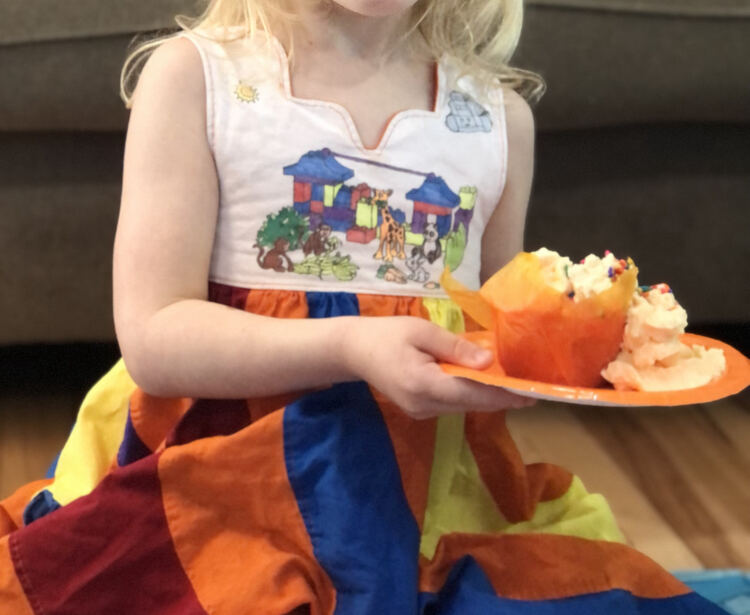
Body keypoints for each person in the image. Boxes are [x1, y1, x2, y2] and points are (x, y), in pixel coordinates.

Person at [0, 1, 728, 613]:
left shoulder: (496, 123)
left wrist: (601, 345)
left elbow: (509, 329)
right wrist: (348, 347)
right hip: (220, 479)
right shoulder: (200, 82)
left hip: (429, 502)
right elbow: (154, 337)